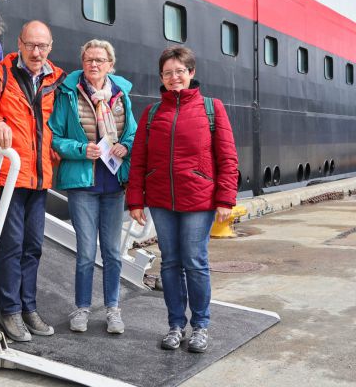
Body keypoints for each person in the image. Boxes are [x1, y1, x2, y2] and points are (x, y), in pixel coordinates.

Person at [126, 46, 238, 353]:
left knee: (195, 261)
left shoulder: (211, 108)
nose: (174, 77)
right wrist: (135, 199)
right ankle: (175, 325)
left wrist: (225, 199)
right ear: (161, 76)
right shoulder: (152, 113)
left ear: (191, 73)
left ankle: (200, 326)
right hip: (162, 200)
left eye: (179, 71)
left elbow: (227, 156)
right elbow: (139, 160)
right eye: (167, 72)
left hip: (199, 200)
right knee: (170, 263)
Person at [0, 20, 66, 342]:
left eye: (43, 46)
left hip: (39, 178)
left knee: (34, 248)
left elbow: (66, 123)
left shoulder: (58, 80)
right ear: (20, 44)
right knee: (11, 248)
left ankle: (29, 309)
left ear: (50, 47)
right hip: (10, 178)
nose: (37, 53)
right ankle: (9, 312)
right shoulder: (0, 75)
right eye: (31, 45)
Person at [49, 39, 137, 334]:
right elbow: (55, 137)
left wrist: (125, 145)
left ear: (110, 65)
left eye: (100, 60)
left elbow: (133, 134)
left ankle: (113, 309)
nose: (94, 65)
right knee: (86, 252)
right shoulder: (68, 93)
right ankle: (82, 308)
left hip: (114, 185)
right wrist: (80, 148)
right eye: (88, 60)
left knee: (112, 252)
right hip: (82, 184)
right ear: (82, 62)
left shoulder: (121, 95)